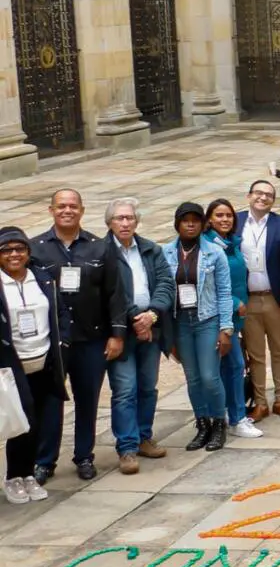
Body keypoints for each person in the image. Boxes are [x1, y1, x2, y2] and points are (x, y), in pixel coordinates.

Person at [30, 188, 127, 482]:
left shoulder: (100, 247)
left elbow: (115, 294)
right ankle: (45, 460)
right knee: (49, 402)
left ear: (82, 211)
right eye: (61, 206)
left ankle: (84, 456)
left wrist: (117, 335)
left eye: (73, 206)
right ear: (51, 210)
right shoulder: (36, 249)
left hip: (91, 339)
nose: (67, 211)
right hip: (53, 343)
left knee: (88, 400)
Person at [105, 198, 174, 474]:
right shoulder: (101, 252)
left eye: (130, 218)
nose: (125, 223)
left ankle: (144, 436)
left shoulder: (150, 249)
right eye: (120, 218)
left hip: (151, 327)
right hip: (121, 330)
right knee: (124, 390)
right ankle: (127, 448)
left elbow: (166, 283)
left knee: (148, 386)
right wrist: (136, 318)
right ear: (109, 222)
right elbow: (112, 294)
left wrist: (152, 315)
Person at [165, 202, 234, 453]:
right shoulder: (166, 253)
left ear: (203, 223)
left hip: (207, 319)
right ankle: (202, 423)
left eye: (195, 220)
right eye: (185, 220)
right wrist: (167, 333)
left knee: (209, 376)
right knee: (193, 378)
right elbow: (162, 292)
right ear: (178, 224)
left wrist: (226, 329)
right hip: (181, 321)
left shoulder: (215, 253)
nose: (191, 224)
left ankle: (218, 423)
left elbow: (225, 292)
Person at [0, 226, 60, 504]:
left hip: (44, 358)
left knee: (41, 422)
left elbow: (59, 312)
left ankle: (28, 475)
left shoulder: (42, 277)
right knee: (23, 421)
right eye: (7, 250)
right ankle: (13, 476)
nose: (14, 254)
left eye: (19, 249)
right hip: (13, 364)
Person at [237, 179, 280, 421]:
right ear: (249, 196)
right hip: (248, 300)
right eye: (258, 193)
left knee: (279, 350)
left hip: (275, 299)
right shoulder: (237, 222)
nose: (263, 198)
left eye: (269, 195)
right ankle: (260, 402)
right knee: (255, 354)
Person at [204, 199, 260, 438]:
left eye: (228, 215)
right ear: (209, 219)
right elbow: (210, 284)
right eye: (219, 215)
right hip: (216, 315)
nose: (225, 219)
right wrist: (235, 303)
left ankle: (231, 414)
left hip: (233, 317)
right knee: (229, 366)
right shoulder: (207, 246)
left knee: (233, 366)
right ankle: (231, 417)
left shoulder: (232, 243)